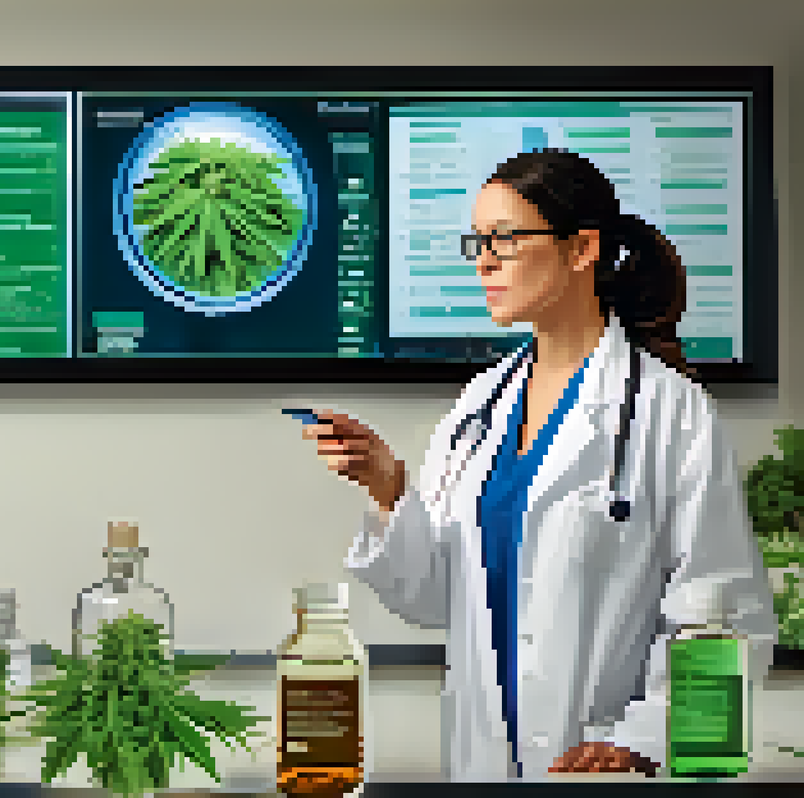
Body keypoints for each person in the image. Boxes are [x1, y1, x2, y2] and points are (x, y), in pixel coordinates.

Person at [302, 149, 776, 781]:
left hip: (608, 772)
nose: (484, 261)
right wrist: (389, 488)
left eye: (505, 239)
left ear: (581, 250)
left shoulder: (671, 411)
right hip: (481, 767)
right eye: (477, 241)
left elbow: (726, 616)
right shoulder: (480, 405)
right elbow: (437, 598)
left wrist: (642, 742)